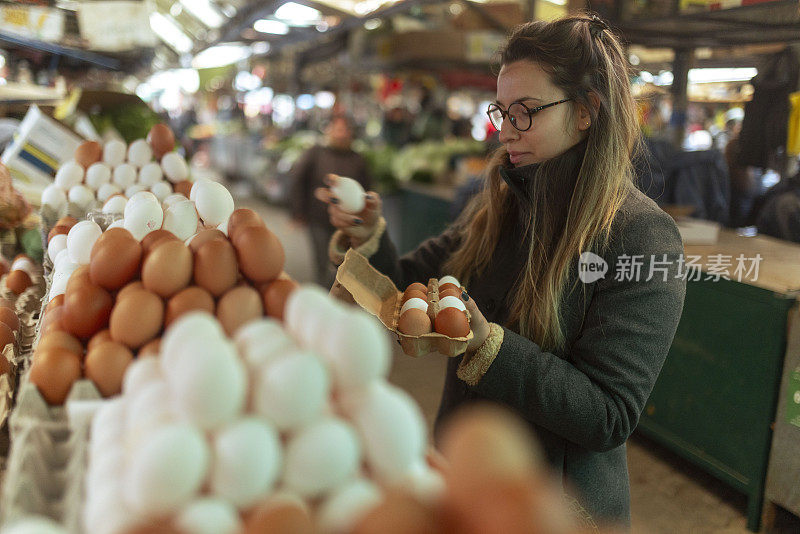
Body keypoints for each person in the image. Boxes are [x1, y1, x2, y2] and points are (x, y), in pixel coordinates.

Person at [317, 13, 686, 529]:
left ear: (585, 111)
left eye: (526, 112)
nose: (506, 131)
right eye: (501, 111)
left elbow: (610, 413)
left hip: (554, 506)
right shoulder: (499, 206)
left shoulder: (641, 236)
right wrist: (367, 235)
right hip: (463, 478)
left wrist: (489, 346)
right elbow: (404, 286)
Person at [290, 115, 372, 287]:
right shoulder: (315, 153)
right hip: (318, 218)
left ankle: (339, 296)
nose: (341, 134)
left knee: (344, 264)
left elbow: (367, 189)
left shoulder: (358, 159)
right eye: (337, 129)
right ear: (329, 131)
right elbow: (298, 180)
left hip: (347, 224)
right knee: (322, 259)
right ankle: (323, 295)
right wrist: (298, 212)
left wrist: (365, 215)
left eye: (345, 130)